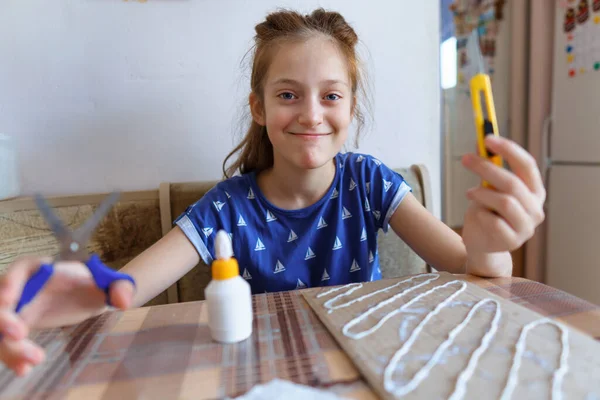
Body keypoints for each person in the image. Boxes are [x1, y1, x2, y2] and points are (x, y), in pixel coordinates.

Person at [0, 8, 546, 376]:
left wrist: (490, 241)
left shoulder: (371, 181)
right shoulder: (225, 206)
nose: (311, 114)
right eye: (289, 94)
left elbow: (475, 271)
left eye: (331, 96)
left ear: (351, 109)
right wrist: (63, 298)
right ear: (259, 108)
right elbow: (125, 289)